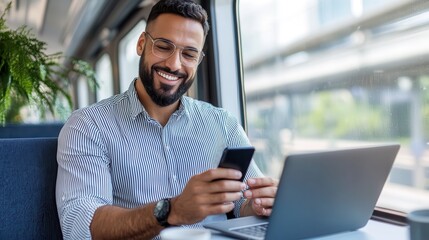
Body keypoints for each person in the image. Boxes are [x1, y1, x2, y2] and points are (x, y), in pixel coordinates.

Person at [55, 0, 278, 239]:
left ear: (198, 61)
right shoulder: (88, 126)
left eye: (189, 54)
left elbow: (241, 202)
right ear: (142, 44)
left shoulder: (223, 123)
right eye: (163, 47)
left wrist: (257, 206)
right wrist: (171, 211)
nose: (174, 64)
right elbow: (79, 227)